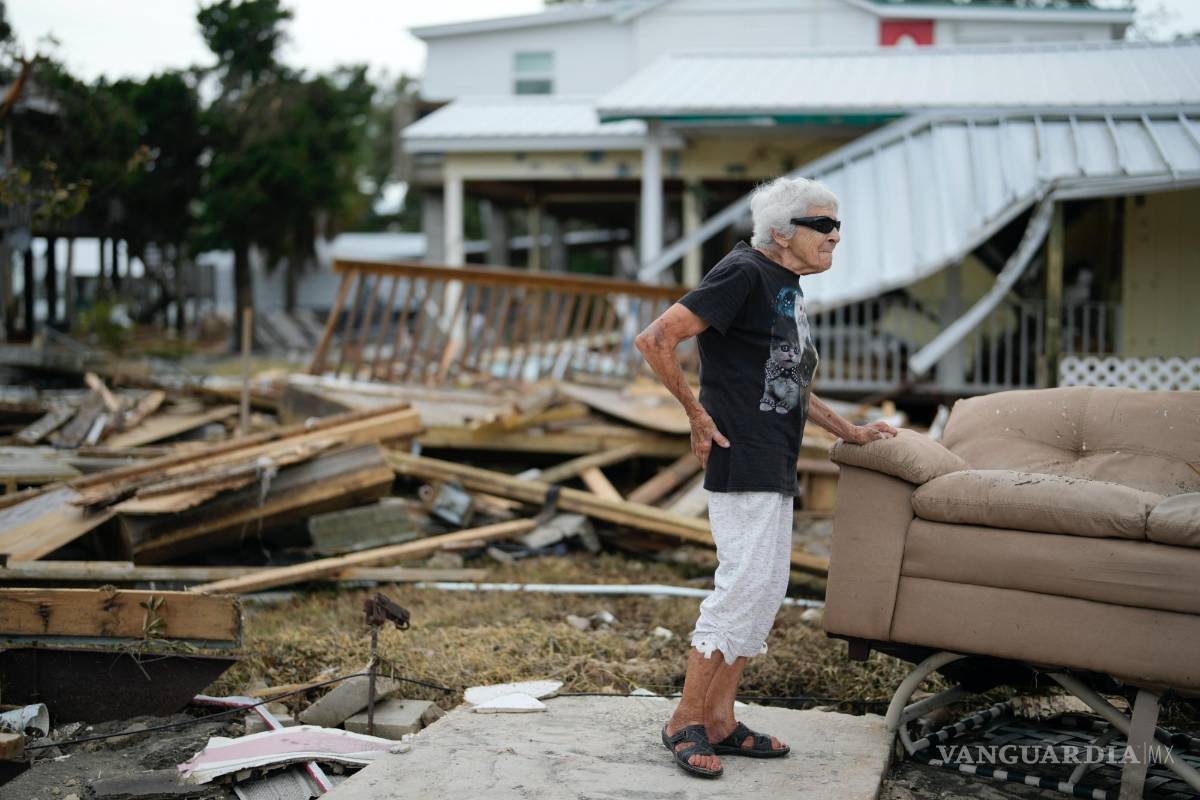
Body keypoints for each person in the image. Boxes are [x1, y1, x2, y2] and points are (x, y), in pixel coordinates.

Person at [634, 175, 898, 779]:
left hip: (774, 455)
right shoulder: (743, 273)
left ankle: (720, 720)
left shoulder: (785, 285)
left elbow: (788, 379)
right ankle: (685, 720)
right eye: (822, 224)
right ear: (781, 233)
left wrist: (849, 431)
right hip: (741, 451)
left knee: (766, 587)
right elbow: (655, 339)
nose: (835, 236)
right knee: (741, 587)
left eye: (838, 225)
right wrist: (696, 415)